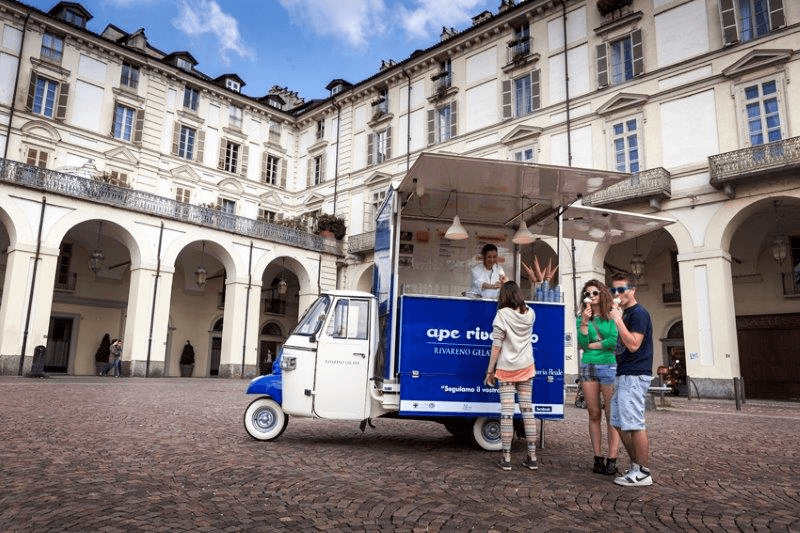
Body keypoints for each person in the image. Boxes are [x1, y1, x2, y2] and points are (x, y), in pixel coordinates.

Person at [484, 281, 538, 471]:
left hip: (506, 369)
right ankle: (532, 457)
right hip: (527, 367)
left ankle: (506, 458)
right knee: (528, 412)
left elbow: (496, 346)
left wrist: (490, 371)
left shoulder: (502, 315)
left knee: (506, 415)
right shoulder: (530, 314)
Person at [609, 273, 653, 486]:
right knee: (618, 421)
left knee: (635, 423)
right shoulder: (625, 314)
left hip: (635, 374)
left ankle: (643, 471)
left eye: (622, 289)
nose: (617, 294)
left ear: (632, 290)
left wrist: (617, 320)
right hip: (623, 373)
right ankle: (636, 465)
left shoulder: (638, 314)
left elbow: (634, 344)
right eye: (614, 290)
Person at [576, 279, 620, 476]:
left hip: (608, 365)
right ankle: (597, 457)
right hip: (588, 366)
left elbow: (613, 341)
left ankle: (612, 459)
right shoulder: (581, 318)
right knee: (594, 413)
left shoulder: (611, 316)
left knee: (611, 415)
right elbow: (581, 341)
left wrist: (591, 345)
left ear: (602, 294)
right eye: (587, 294)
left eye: (594, 293)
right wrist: (585, 322)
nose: (591, 296)